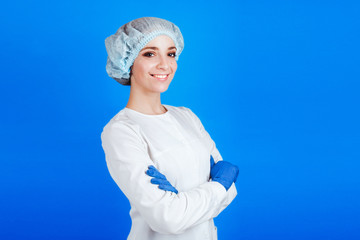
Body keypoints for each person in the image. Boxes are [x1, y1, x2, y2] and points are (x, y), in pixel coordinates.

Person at [101, 17, 239, 240]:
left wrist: (182, 202)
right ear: (128, 61)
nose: (165, 65)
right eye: (149, 53)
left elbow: (231, 194)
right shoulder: (122, 130)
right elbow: (167, 219)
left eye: (171, 54)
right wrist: (218, 185)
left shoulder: (187, 116)